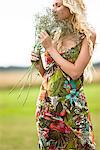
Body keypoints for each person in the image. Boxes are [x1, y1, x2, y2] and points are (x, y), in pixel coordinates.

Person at [31, 0, 96, 149]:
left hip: (74, 108)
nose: (53, 9)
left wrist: (50, 48)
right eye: (53, 5)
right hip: (47, 107)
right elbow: (49, 77)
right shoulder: (53, 34)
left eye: (58, 5)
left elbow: (75, 72)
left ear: (71, 6)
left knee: (83, 145)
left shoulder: (87, 35)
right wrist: (38, 65)